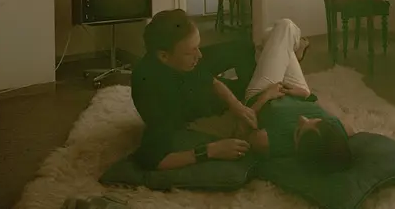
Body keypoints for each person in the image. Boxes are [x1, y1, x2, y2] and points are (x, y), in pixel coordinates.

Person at [131, 9, 258, 170]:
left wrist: (237, 106)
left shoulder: (181, 61)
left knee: (244, 47)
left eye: (197, 47)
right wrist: (212, 150)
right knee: (284, 30)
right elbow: (152, 159)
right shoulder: (154, 94)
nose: (199, 55)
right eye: (190, 51)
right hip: (200, 107)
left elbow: (212, 81)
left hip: (201, 90)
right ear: (164, 56)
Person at [242, 18, 354, 171]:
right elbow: (343, 126)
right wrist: (306, 95)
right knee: (277, 39)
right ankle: (291, 51)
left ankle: (292, 49)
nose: (301, 118)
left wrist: (265, 97)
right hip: (299, 91)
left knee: (284, 27)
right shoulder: (336, 132)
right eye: (313, 120)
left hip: (263, 91)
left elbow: (241, 127)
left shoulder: (266, 142)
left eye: (298, 131)